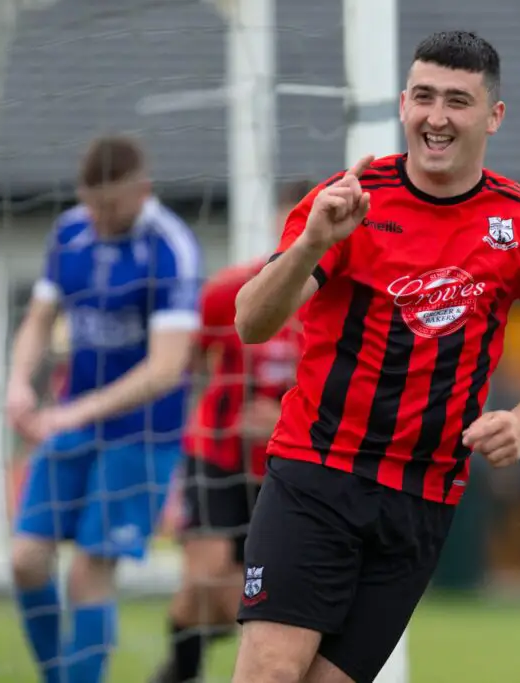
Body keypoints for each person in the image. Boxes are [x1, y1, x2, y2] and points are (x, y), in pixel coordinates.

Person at [231, 30, 520, 683]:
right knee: (270, 672)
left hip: (422, 499)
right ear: (403, 104)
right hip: (316, 475)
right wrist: (312, 241)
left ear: (494, 116)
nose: (437, 117)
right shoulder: (348, 201)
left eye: (458, 101)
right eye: (424, 96)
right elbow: (252, 322)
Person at [5, 134, 202, 683]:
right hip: (73, 421)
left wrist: (76, 411)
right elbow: (41, 317)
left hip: (140, 436)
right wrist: (19, 381)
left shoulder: (171, 247)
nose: (98, 217)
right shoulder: (70, 231)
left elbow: (167, 368)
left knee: (89, 572)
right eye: (91, 204)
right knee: (26, 559)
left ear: (143, 191)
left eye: (110, 207)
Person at [149, 182, 310, 683]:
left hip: (285, 466)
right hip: (217, 454)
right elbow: (182, 354)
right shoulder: (233, 289)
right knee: (205, 578)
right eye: (288, 227)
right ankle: (181, 668)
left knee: (243, 598)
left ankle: (186, 660)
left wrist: (280, 417)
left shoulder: (336, 305)